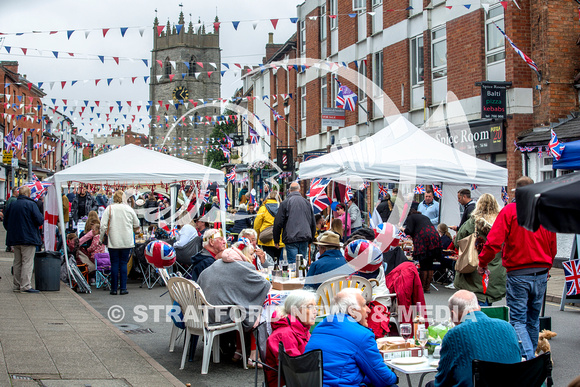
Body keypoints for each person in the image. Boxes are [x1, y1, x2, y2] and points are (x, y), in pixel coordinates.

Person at [477, 176, 557, 360]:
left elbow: (493, 243)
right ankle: (534, 359)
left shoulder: (510, 211)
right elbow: (553, 245)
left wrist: (483, 263)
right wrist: (548, 265)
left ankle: (529, 360)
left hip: (519, 272)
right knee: (532, 320)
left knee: (518, 320)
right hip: (541, 271)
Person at [197, 240, 271, 366]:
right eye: (252, 253)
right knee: (256, 310)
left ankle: (239, 351)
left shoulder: (216, 264)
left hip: (201, 314)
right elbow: (265, 285)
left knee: (243, 307)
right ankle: (254, 354)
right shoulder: (243, 267)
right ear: (244, 254)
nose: (253, 257)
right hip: (221, 315)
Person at [305, 288, 398, 387]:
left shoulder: (320, 327)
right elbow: (383, 379)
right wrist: (395, 377)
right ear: (352, 311)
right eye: (363, 305)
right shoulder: (362, 335)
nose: (369, 310)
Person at [430, 290, 521, 387]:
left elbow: (442, 380)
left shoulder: (455, 334)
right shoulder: (508, 327)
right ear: (479, 307)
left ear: (454, 314)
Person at [454, 193, 506, 306]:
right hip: (495, 271)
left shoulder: (472, 223)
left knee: (474, 307)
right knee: (487, 303)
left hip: (474, 268)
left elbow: (457, 242)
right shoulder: (501, 223)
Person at [265, 290, 317, 387]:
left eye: (315, 307)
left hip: (301, 378)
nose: (315, 311)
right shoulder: (285, 334)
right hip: (287, 382)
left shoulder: (302, 328)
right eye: (310, 307)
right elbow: (294, 366)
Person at [3, 186, 44, 293]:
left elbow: (5, 221)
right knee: (27, 261)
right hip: (28, 237)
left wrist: (11, 230)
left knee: (17, 261)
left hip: (14, 237)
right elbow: (39, 220)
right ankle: (25, 285)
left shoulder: (12, 204)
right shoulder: (31, 204)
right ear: (28, 194)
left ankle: (16, 285)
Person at [100, 190, 140, 295]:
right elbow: (137, 223)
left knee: (114, 264)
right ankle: (123, 288)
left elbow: (103, 226)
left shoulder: (109, 209)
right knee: (123, 263)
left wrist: (101, 239)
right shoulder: (129, 209)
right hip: (126, 240)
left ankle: (113, 288)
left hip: (113, 240)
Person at [273, 182, 316, 264]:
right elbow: (312, 222)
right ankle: (301, 276)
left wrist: (276, 239)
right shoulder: (307, 203)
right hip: (304, 236)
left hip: (291, 237)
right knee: (301, 263)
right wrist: (311, 238)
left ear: (289, 190)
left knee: (293, 263)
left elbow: (278, 223)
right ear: (299, 190)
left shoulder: (285, 203)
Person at [404, 202, 441, 293]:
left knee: (424, 265)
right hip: (434, 238)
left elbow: (409, 230)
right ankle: (427, 287)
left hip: (423, 239)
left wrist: (403, 229)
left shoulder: (410, 217)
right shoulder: (424, 217)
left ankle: (422, 287)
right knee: (430, 264)